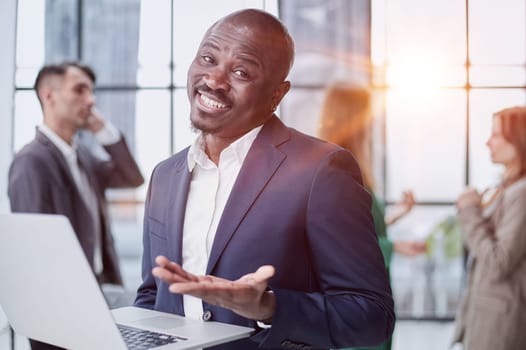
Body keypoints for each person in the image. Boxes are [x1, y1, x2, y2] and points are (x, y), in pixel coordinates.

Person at [134, 8, 394, 350]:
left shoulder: (322, 170)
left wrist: (269, 307)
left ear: (277, 94)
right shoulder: (165, 175)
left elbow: (372, 316)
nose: (214, 80)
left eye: (241, 71)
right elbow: (153, 295)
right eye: (208, 58)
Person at [8, 62, 144, 350]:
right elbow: (34, 251)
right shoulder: (31, 161)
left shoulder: (81, 154)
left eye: (91, 91)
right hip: (60, 308)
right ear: (49, 96)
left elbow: (131, 177)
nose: (91, 100)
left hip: (97, 291)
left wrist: (103, 129)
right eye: (80, 90)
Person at [318, 84, 426, 350]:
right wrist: (393, 246)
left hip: (368, 295)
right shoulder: (335, 167)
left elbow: (356, 226)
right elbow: (339, 244)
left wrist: (397, 215)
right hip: (356, 299)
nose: (374, 124)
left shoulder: (349, 164)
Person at [451, 106, 526, 350]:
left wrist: (470, 211)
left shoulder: (522, 194)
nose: (487, 142)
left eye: (496, 135)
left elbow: (497, 262)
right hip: (487, 319)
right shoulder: (506, 188)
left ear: (518, 140)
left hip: (501, 326)